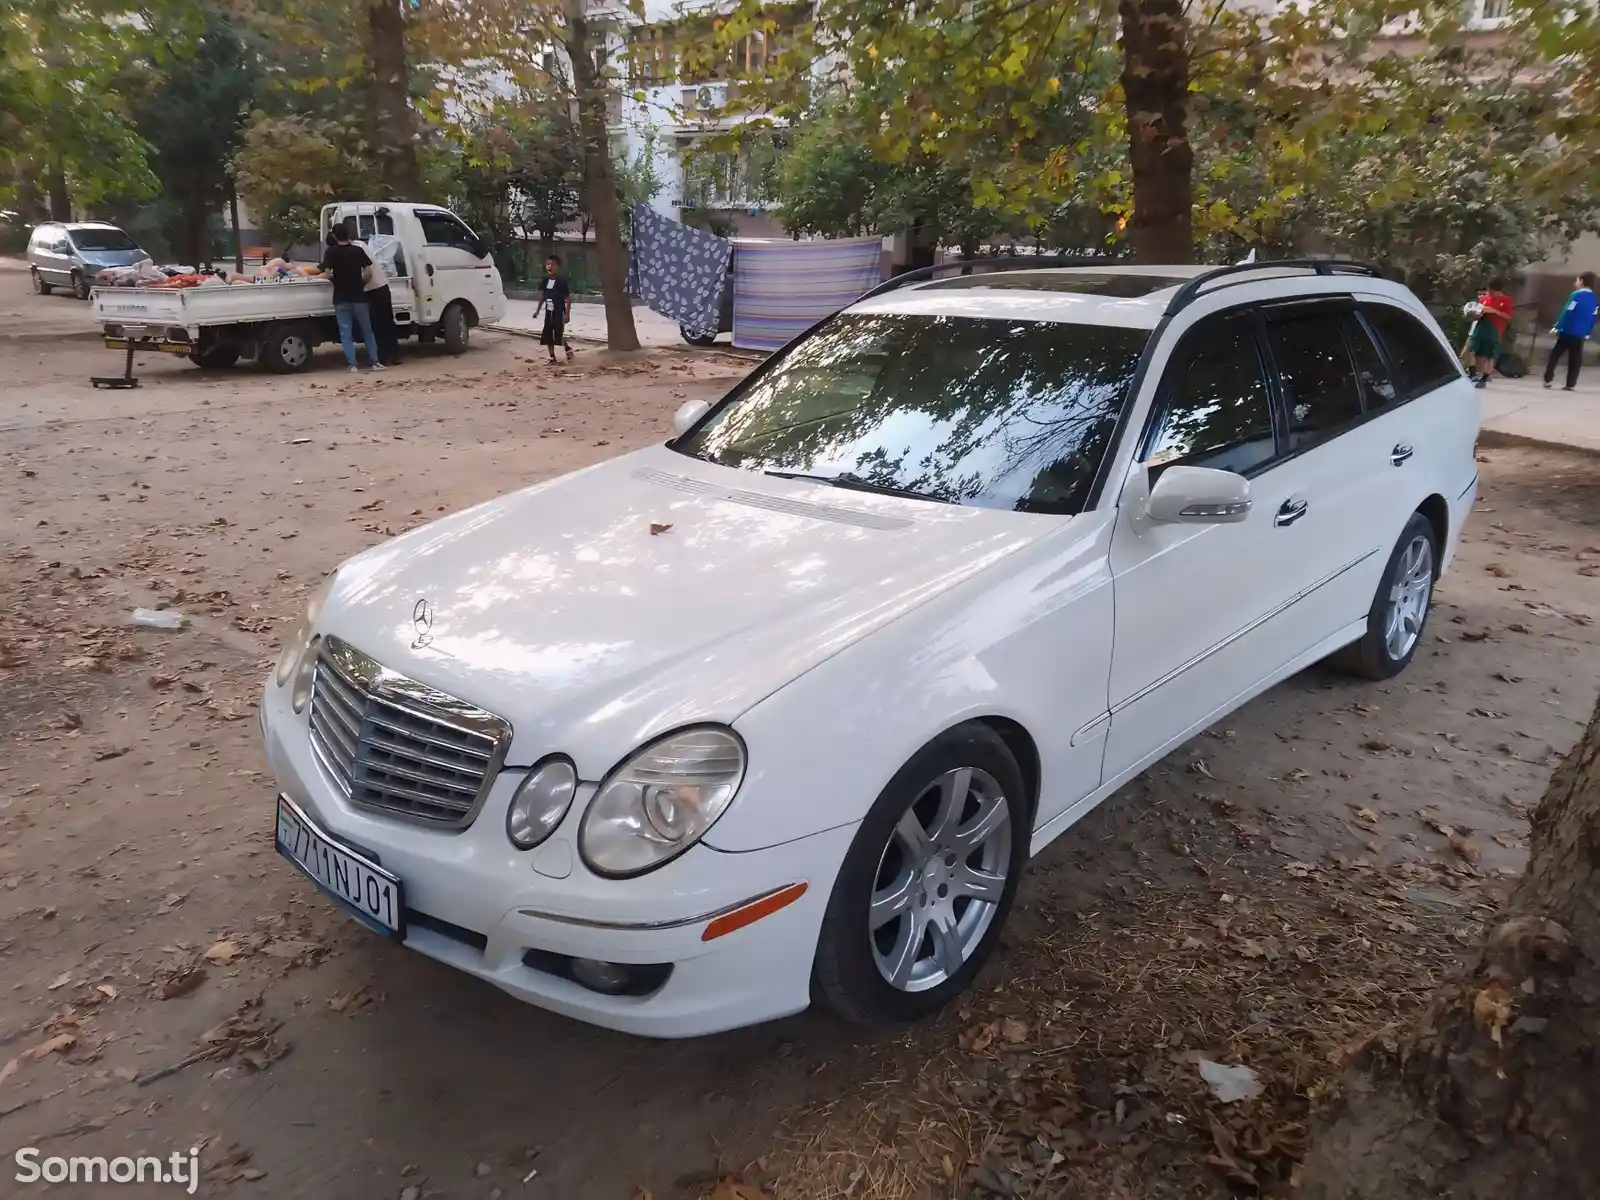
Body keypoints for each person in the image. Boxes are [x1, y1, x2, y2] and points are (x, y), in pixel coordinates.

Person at [319, 222, 384, 374]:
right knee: (367, 329)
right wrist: (361, 283)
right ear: (348, 234)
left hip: (341, 297)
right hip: (359, 296)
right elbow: (368, 271)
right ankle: (375, 362)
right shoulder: (358, 250)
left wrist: (336, 281)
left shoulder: (331, 252)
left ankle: (352, 365)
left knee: (345, 333)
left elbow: (327, 274)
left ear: (334, 236)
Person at [1544, 271, 1597, 392]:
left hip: (1568, 330)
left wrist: (1557, 327)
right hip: (1581, 333)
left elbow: (1568, 312)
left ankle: (1548, 378)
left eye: (1577, 280)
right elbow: (1593, 317)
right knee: (1575, 359)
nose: (1576, 282)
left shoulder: (1576, 295)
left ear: (1582, 281)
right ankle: (1571, 383)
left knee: (1555, 355)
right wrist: (1588, 332)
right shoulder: (1594, 299)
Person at [1466, 276, 1514, 389]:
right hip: (1481, 327)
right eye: (1489, 290)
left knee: (1489, 356)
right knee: (1471, 350)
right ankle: (1472, 373)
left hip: (1495, 330)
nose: (1491, 293)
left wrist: (1495, 311)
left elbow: (1508, 316)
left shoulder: (1505, 300)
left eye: (1493, 291)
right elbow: (1477, 314)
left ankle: (1485, 377)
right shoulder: (1484, 299)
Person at [538, 254, 574, 364]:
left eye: (553, 264)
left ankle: (567, 348)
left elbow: (568, 299)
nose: (550, 266)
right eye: (548, 264)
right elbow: (543, 296)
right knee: (547, 334)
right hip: (548, 312)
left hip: (558, 312)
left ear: (558, 266)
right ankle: (552, 357)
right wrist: (537, 310)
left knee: (558, 333)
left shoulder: (561, 281)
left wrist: (567, 314)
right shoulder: (545, 280)